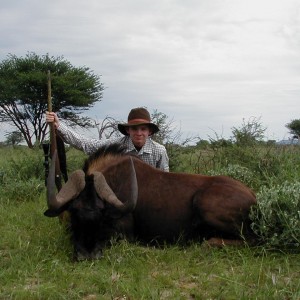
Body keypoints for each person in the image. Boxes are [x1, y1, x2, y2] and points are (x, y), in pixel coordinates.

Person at [46, 107, 169, 171]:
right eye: (134, 129)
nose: (139, 133)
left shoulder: (159, 151)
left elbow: (164, 180)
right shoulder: (117, 146)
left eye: (143, 129)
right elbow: (86, 144)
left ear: (149, 131)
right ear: (128, 130)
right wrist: (59, 126)